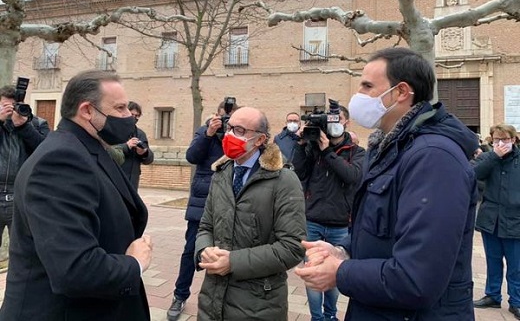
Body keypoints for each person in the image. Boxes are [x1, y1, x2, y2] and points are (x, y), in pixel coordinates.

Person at [294, 47, 479, 320]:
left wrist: (340, 272)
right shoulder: (391, 148)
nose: (357, 95)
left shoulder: (433, 157)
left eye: (367, 86)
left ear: (401, 92)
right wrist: (343, 249)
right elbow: (382, 229)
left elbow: (417, 279)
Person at [0, 70, 153, 321]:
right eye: (121, 108)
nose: (129, 117)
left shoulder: (87, 147)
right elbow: (75, 269)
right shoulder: (60, 160)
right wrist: (134, 264)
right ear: (87, 110)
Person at [194, 106, 307, 320]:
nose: (229, 135)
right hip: (212, 298)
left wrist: (233, 262)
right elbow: (205, 226)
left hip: (259, 304)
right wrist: (203, 250)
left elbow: (292, 247)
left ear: (259, 140)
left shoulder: (283, 180)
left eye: (239, 130)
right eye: (229, 127)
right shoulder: (221, 173)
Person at [292, 103, 365, 321]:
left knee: (332, 273)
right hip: (312, 220)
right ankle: (317, 318)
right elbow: (298, 172)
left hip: (340, 224)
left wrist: (328, 152)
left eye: (338, 119)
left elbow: (352, 176)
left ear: (346, 122)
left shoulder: (357, 152)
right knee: (313, 272)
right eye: (329, 120)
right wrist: (301, 144)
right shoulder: (313, 149)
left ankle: (331, 315)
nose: (333, 123)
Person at [166, 100, 238, 321]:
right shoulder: (205, 130)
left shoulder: (238, 135)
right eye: (223, 117)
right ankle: (179, 295)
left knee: (228, 254)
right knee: (190, 252)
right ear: (214, 115)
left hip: (231, 203)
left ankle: (225, 302)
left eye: (230, 119)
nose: (226, 122)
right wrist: (209, 133)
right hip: (202, 201)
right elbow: (192, 157)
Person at [472, 124, 520, 319]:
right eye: (497, 140)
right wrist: (494, 156)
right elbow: (473, 174)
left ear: (514, 140)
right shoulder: (488, 158)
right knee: (492, 260)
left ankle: (516, 301)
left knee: (515, 265)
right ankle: (492, 295)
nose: (501, 143)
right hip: (491, 218)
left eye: (505, 140)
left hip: (515, 220)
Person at [0, 85, 45, 249]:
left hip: (20, 196)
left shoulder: (36, 124)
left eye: (13, 107)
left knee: (22, 249)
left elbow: (44, 150)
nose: (10, 111)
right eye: (5, 106)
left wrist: (24, 126)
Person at [115, 101, 154, 190]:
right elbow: (108, 151)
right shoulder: (113, 131)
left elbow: (149, 159)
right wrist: (126, 146)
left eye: (137, 116)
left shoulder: (140, 134)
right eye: (132, 115)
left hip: (133, 180)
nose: (134, 118)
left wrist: (144, 153)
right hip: (116, 178)